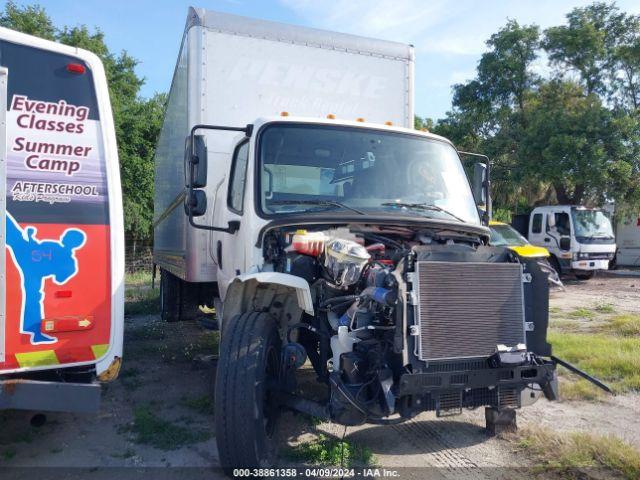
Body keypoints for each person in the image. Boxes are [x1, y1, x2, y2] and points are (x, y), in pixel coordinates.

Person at [5, 212, 86, 345]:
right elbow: (35, 247)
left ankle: (34, 332)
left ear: (74, 243)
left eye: (68, 236)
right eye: (66, 235)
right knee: (13, 235)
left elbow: (59, 279)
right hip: (27, 259)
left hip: (32, 271)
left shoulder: (68, 260)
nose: (63, 236)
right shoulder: (61, 253)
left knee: (33, 298)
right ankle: (34, 332)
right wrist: (31, 236)